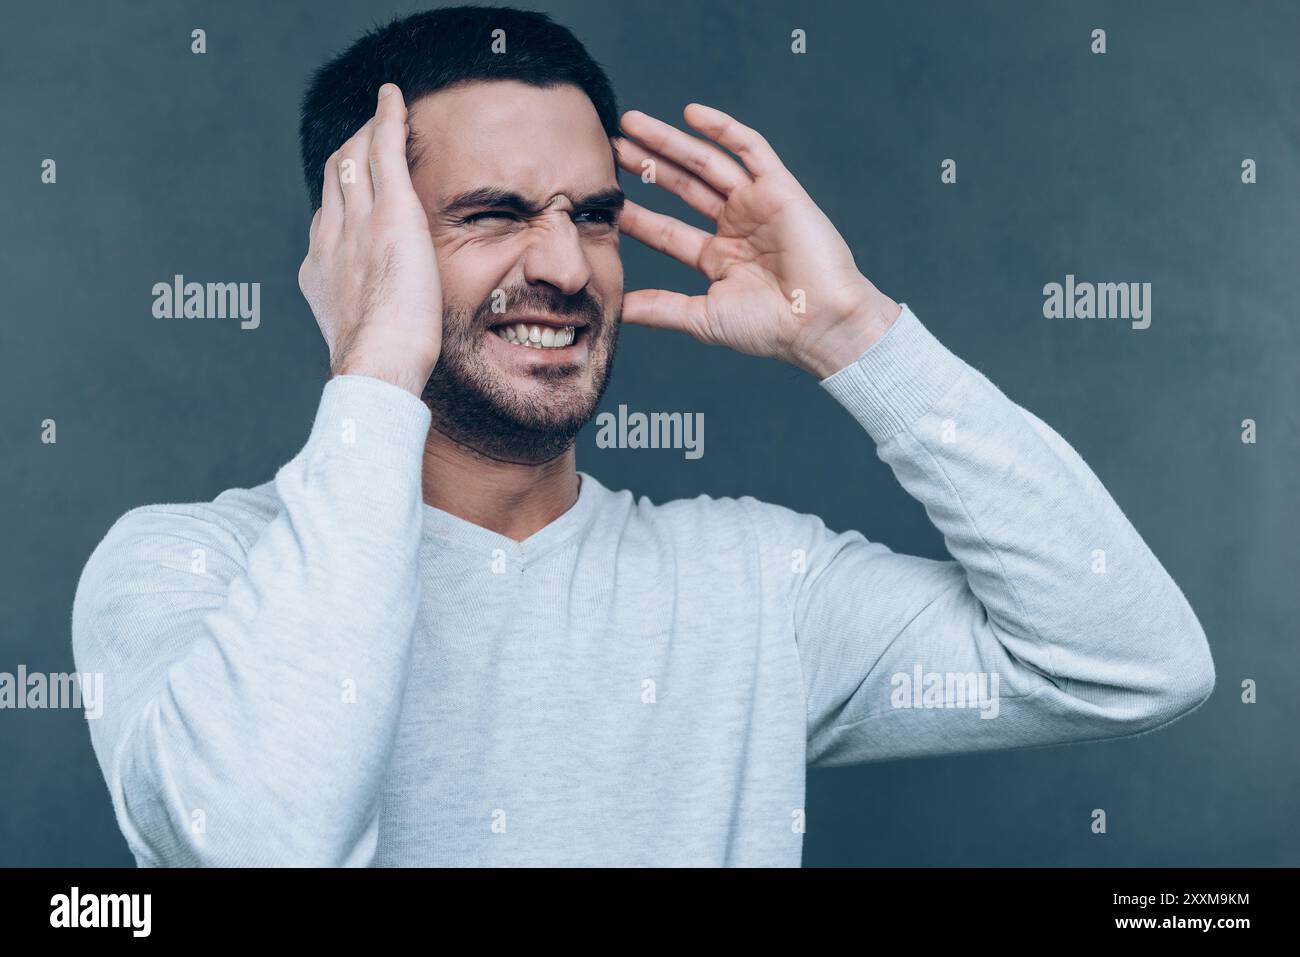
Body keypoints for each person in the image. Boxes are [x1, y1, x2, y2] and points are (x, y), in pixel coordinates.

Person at [71, 6, 1215, 866]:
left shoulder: (752, 583)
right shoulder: (185, 569)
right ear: (358, 240)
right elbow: (259, 845)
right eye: (493, 215)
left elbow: (1129, 664)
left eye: (594, 217)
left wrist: (857, 333)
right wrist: (374, 365)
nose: (567, 268)